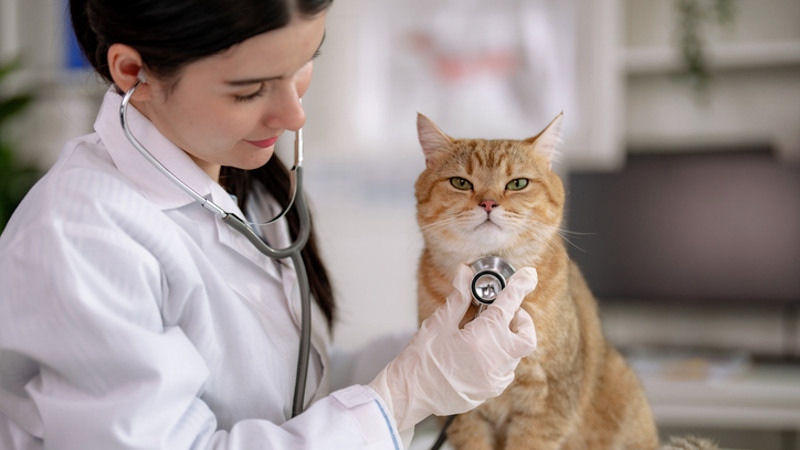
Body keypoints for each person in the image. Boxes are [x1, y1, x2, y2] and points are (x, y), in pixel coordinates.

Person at [0, 1, 538, 449]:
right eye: (250, 89)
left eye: (305, 62)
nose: (293, 113)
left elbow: (290, 391)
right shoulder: (79, 237)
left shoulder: (247, 186)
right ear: (132, 72)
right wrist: (404, 393)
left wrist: (429, 354)